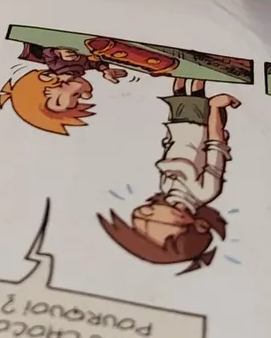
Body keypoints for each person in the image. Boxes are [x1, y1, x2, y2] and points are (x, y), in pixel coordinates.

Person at [98, 79, 238, 271]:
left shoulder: (166, 187)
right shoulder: (204, 191)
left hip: (178, 124)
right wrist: (215, 108)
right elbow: (216, 146)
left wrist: (171, 132)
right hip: (204, 124)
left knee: (183, 87)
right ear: (184, 222)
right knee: (196, 88)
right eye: (150, 222)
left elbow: (171, 149)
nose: (142, 213)